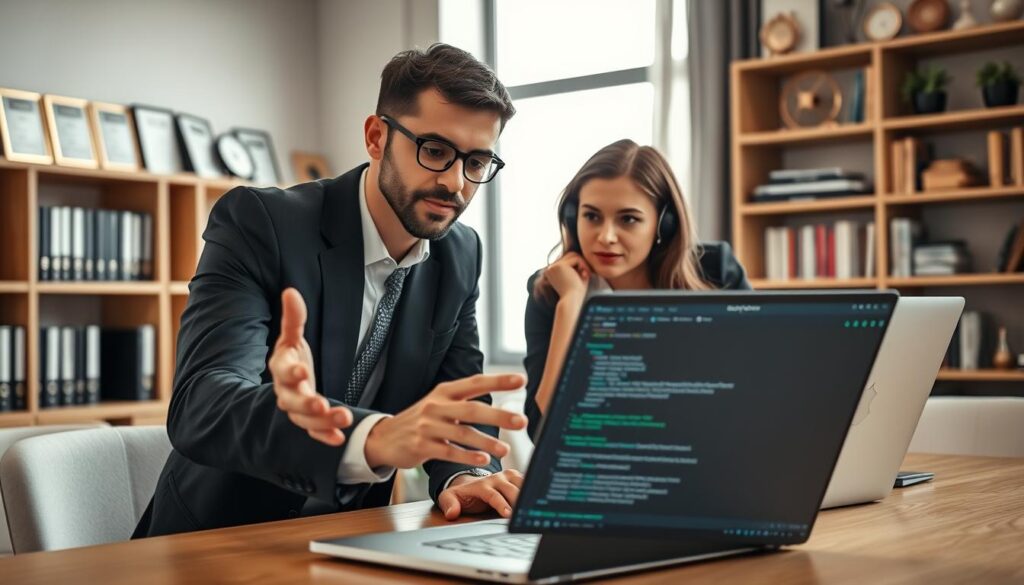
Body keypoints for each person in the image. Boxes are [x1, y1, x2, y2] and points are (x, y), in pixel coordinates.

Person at [134, 44, 527, 538]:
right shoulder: (261, 224)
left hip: (354, 540)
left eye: (477, 162)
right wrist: (372, 438)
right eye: (434, 151)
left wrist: (466, 476)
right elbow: (201, 404)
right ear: (377, 137)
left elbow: (458, 399)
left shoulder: (459, 254)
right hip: (215, 537)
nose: (455, 183)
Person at [523, 139, 751, 440]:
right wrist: (571, 302)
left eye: (628, 219)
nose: (606, 236)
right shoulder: (550, 290)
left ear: (664, 224)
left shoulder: (716, 271)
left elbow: (755, 385)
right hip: (603, 458)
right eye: (592, 216)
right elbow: (543, 428)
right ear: (572, 217)